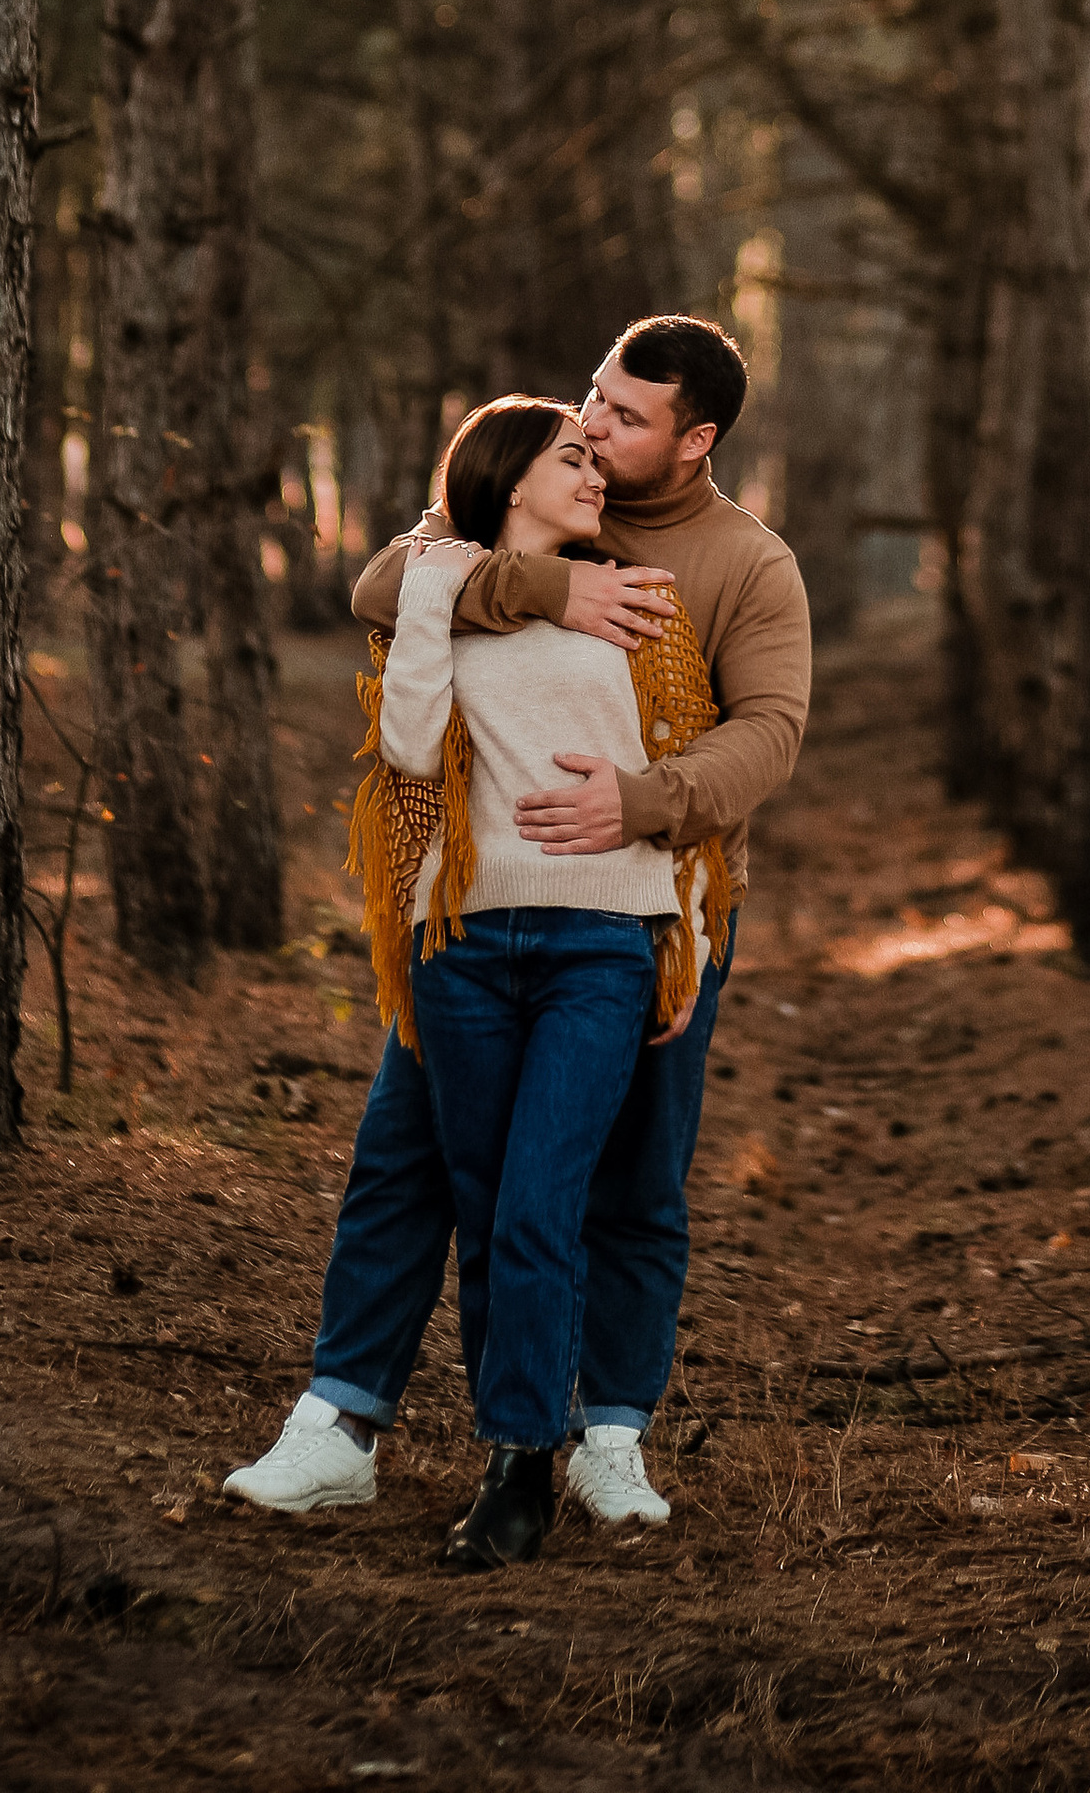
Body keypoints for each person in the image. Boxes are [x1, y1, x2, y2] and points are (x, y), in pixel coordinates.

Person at [225, 314, 809, 1536]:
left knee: (631, 1178)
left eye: (626, 418)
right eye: (593, 399)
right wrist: (549, 584)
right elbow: (387, 584)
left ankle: (607, 1435)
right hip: (475, 908)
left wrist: (641, 807)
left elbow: (768, 734)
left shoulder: (745, 565)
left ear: (696, 441)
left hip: (655, 897)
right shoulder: (522, 501)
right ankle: (340, 1418)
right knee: (406, 1153)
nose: (593, 425)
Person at [359, 394, 716, 1569]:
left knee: (541, 1200)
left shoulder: (641, 605)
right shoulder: (438, 588)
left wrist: (691, 936)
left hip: (601, 944)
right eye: (572, 455)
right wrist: (440, 593)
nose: (595, 472)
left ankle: (523, 1463)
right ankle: (514, 1453)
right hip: (462, 941)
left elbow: (685, 782)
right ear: (508, 478)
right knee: (479, 1204)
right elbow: (410, 747)